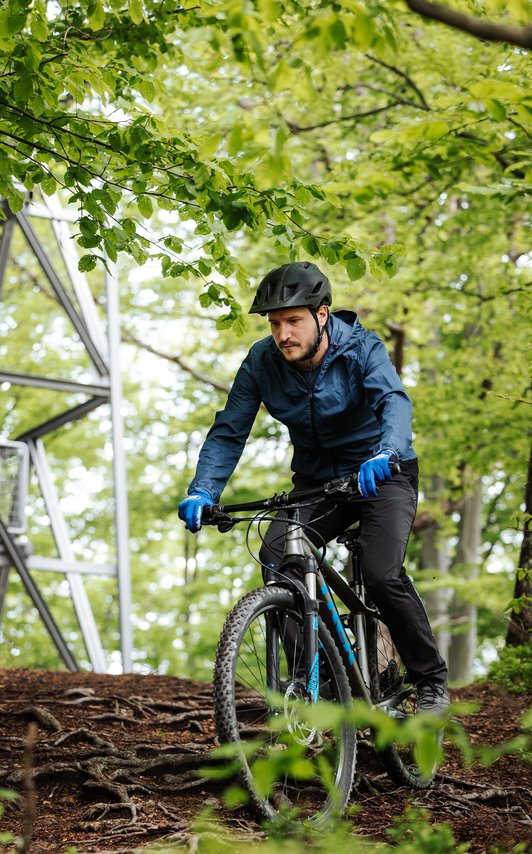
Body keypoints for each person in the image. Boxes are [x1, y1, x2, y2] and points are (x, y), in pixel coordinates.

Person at [178, 261, 450, 714]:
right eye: (275, 323)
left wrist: (386, 452)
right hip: (317, 485)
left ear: (322, 315)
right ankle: (314, 679)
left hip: (382, 473)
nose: (283, 334)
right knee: (276, 556)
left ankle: (430, 682)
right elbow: (230, 430)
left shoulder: (361, 348)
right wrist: (203, 489)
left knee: (383, 574)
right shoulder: (262, 361)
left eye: (294, 321)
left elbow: (393, 402)